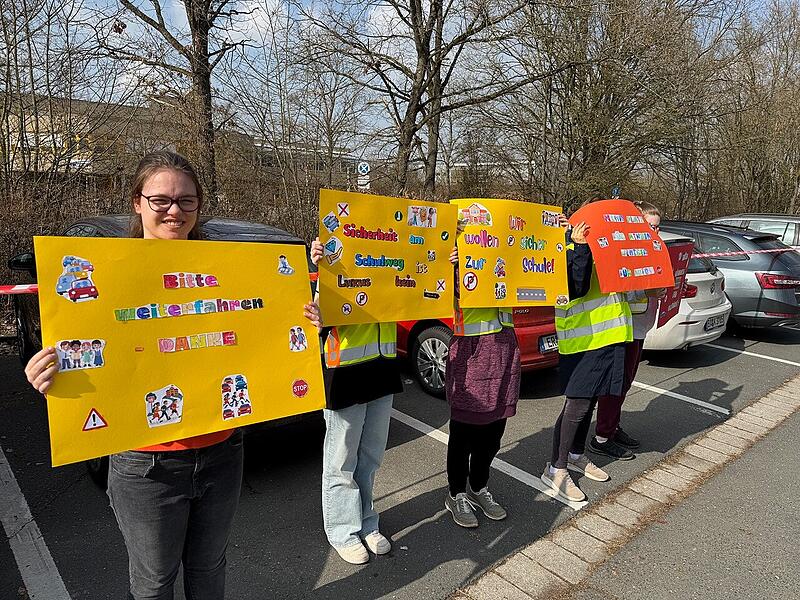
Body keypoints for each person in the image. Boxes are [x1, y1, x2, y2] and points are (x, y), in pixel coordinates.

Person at [24, 150, 322, 600]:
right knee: (153, 583)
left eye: (186, 200)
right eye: (161, 199)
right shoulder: (101, 274)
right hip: (147, 465)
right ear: (138, 203)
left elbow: (264, 334)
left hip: (223, 451)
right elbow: (87, 362)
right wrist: (47, 374)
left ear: (199, 206)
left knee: (209, 569)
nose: (174, 210)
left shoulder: (232, 271)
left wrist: (302, 322)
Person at [311, 237, 403, 565]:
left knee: (371, 456)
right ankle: (342, 530)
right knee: (342, 459)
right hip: (345, 371)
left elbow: (420, 292)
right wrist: (320, 267)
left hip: (382, 367)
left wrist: (442, 262)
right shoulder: (333, 258)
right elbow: (315, 315)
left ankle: (366, 521)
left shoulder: (393, 257)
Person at [541, 218, 633, 502]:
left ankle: (576, 455)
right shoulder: (566, 243)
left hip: (608, 336)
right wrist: (580, 248)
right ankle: (555, 468)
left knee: (591, 400)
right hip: (581, 339)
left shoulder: (608, 245)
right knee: (577, 404)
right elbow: (574, 287)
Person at [443, 243, 520, 528]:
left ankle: (478, 486)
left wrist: (555, 235)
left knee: (494, 430)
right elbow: (439, 291)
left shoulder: (507, 257)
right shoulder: (454, 260)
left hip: (503, 352)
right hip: (470, 354)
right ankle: (456, 493)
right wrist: (453, 266)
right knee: (463, 433)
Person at [590, 200, 663, 460]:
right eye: (649, 227)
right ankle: (602, 437)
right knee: (616, 383)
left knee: (626, 382)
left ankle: (612, 427)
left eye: (657, 228)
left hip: (640, 327)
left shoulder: (651, 252)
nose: (654, 233)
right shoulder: (624, 252)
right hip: (623, 328)